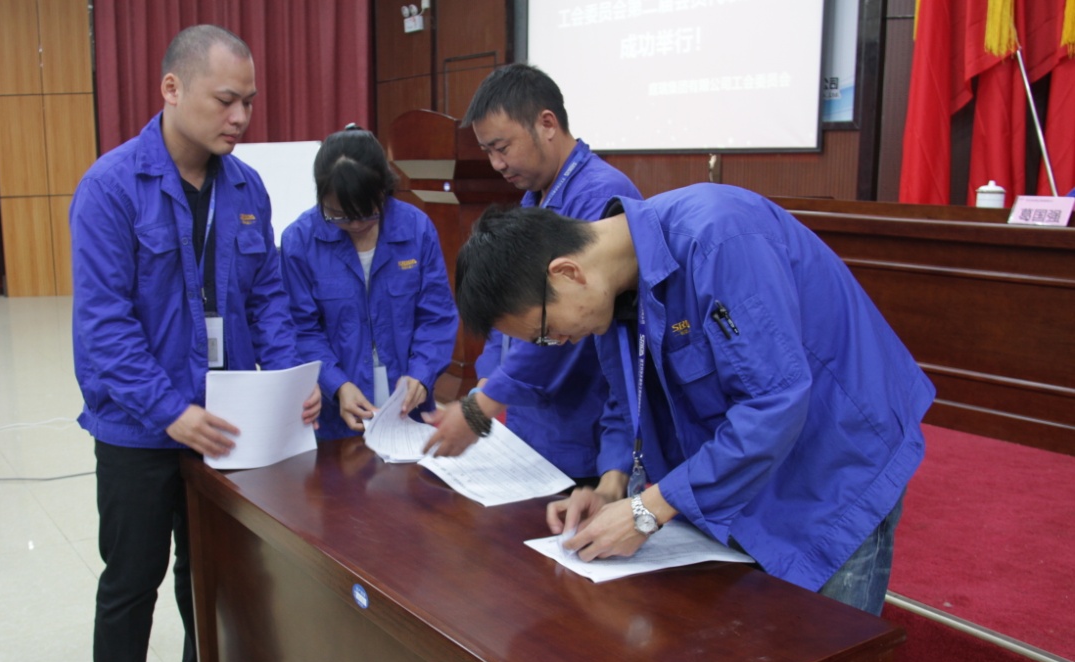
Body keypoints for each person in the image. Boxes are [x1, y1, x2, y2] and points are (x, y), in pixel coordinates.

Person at [453, 183, 936, 615]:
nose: (557, 343)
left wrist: (649, 508)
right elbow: (629, 394)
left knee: (823, 649)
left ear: (567, 272)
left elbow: (773, 404)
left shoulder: (719, 240)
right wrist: (611, 482)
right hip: (752, 467)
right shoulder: (610, 292)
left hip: (837, 458)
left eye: (545, 332)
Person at [70, 25, 320, 662]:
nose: (240, 116)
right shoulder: (112, 188)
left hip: (228, 419)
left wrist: (290, 377)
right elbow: (104, 327)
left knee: (210, 568)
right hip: (140, 427)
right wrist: (167, 409)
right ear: (171, 90)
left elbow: (267, 296)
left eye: (248, 101)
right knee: (132, 579)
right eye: (225, 99)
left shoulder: (246, 189)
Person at [423, 64, 640, 484]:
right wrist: (488, 379)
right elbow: (509, 311)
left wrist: (482, 405)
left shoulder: (601, 195)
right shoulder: (533, 199)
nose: (496, 163)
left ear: (547, 124)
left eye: (502, 147)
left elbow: (563, 324)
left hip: (583, 427)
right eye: (487, 151)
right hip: (530, 426)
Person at [282, 126, 457, 438]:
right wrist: (337, 385)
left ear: (383, 191)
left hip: (409, 410)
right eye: (339, 215)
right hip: (337, 415)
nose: (355, 224)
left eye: (367, 213)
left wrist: (421, 374)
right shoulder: (299, 241)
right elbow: (302, 330)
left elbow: (436, 317)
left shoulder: (416, 229)